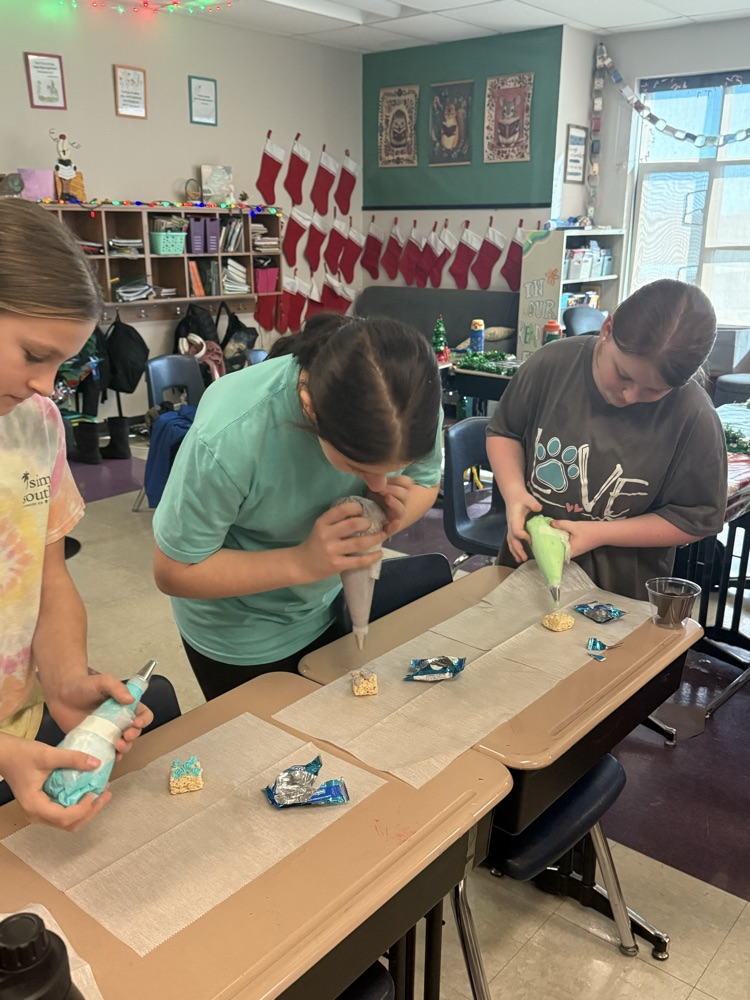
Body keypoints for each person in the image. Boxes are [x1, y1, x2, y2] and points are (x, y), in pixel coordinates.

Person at [153, 315, 443, 700]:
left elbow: (426, 480)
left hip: (325, 605)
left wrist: (391, 517)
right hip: (241, 634)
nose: (376, 485)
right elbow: (174, 570)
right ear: (310, 408)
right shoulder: (231, 436)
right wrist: (303, 563)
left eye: (391, 470)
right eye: (358, 466)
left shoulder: (409, 403)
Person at [0, 199, 155, 831]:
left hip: (22, 733)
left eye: (61, 364)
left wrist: (64, 681)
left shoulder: (36, 426)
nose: (46, 384)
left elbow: (48, 574)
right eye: (34, 354)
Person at [486, 279, 728, 600]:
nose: (630, 395)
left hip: (621, 588)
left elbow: (697, 518)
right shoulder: (550, 365)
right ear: (607, 328)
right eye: (624, 374)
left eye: (654, 391)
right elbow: (505, 432)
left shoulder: (694, 416)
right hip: (526, 569)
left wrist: (600, 533)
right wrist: (515, 493)